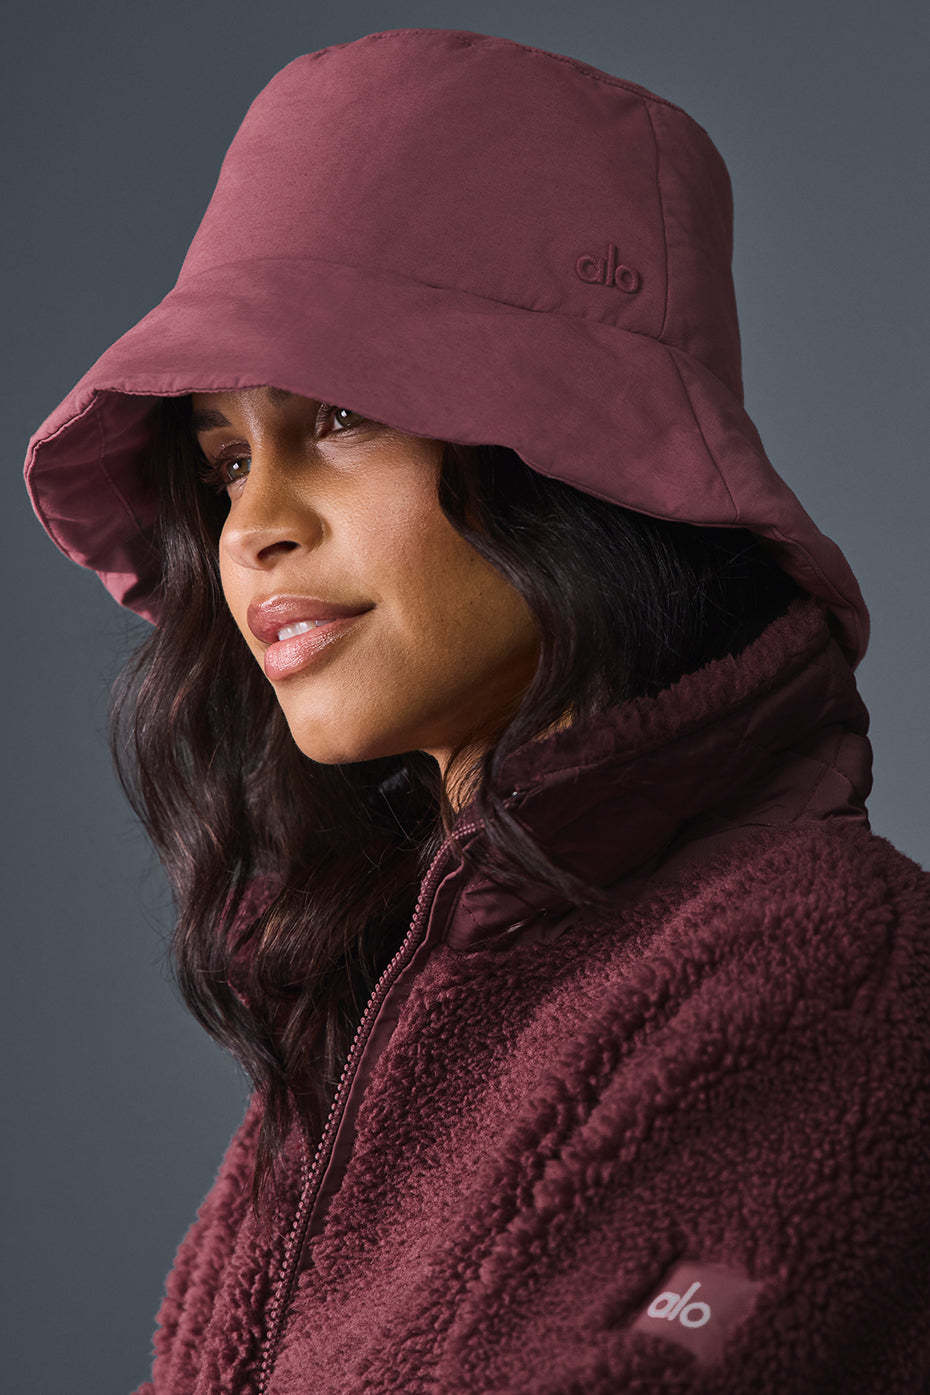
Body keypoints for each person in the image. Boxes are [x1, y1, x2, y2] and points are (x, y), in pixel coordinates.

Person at [22, 26, 930, 1395]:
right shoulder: (358, 1019)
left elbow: (686, 1341)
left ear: (568, 458)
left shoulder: (831, 971)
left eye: (339, 418)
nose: (252, 527)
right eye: (223, 464)